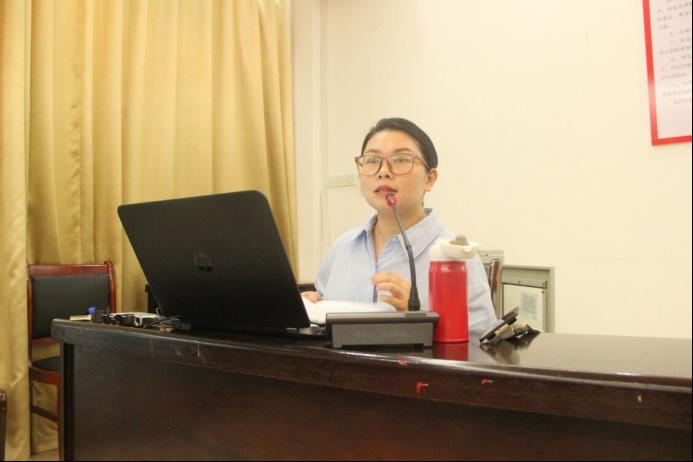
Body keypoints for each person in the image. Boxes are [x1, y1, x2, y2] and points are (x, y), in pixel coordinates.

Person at [302, 118, 497, 335]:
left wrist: (417, 318)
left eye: (401, 159)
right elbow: (321, 314)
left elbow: (479, 343)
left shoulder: (455, 257)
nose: (383, 172)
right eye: (372, 160)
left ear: (430, 179)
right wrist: (310, 305)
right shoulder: (342, 247)